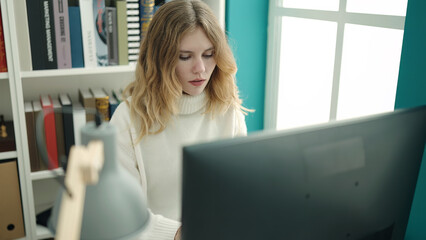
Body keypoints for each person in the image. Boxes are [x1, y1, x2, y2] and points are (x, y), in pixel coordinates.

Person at [110, 0, 252, 239]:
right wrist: (179, 234)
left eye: (209, 55)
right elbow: (122, 214)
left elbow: (241, 193)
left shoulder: (229, 111)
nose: (200, 69)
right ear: (160, 60)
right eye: (185, 57)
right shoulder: (127, 120)